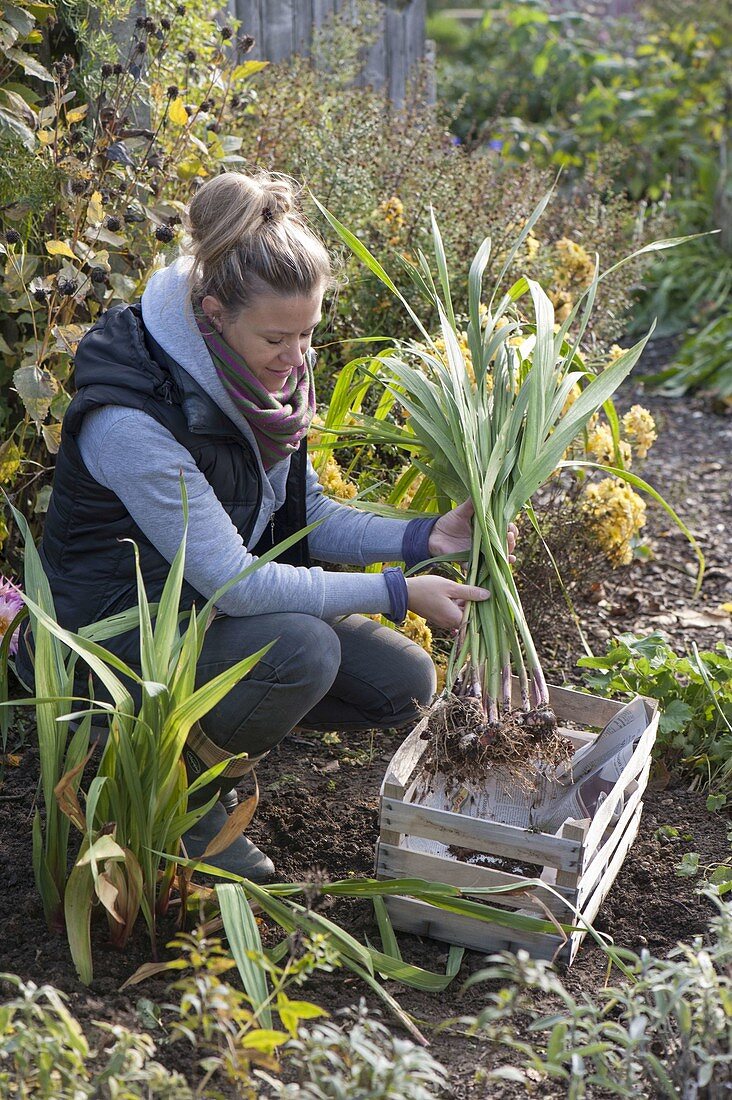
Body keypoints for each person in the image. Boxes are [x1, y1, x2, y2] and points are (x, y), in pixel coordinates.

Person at [16, 170, 511, 881]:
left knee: (401, 680)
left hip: (197, 616)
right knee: (298, 649)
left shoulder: (260, 384)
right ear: (212, 313)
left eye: (309, 333)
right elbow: (238, 583)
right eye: (279, 337)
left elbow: (304, 512)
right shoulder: (134, 420)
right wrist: (400, 595)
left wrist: (427, 537)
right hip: (109, 643)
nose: (298, 357)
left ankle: (197, 756)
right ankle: (158, 793)